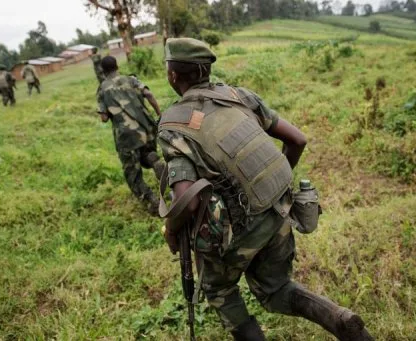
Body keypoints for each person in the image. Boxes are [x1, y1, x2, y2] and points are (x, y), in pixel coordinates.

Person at [158, 37, 374, 341]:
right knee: (278, 289)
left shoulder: (173, 126)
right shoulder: (239, 96)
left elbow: (187, 203)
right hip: (279, 214)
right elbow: (297, 140)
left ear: (173, 75)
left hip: (234, 233)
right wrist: (269, 191)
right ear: (206, 70)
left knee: (219, 289)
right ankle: (338, 318)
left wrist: (170, 231)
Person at [97, 56, 165, 215]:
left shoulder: (102, 88)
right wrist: (159, 114)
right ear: (117, 65)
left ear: (102, 70)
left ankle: (153, 202)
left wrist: (110, 111)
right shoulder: (131, 79)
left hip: (126, 137)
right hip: (146, 128)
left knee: (133, 175)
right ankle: (154, 161)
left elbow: (104, 118)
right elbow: (148, 94)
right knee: (146, 155)